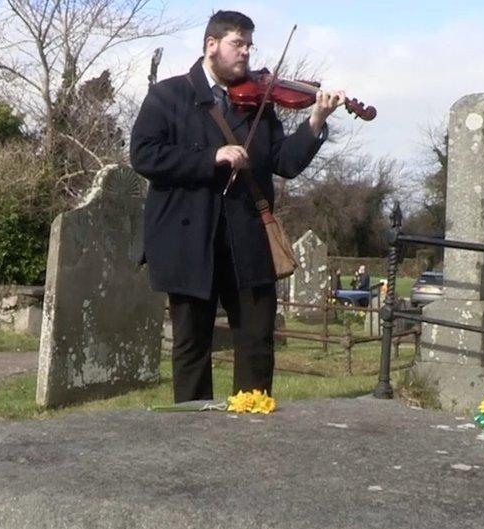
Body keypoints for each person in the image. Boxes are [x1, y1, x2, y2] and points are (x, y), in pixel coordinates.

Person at [130, 10, 345, 403]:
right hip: (188, 240)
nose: (246, 52)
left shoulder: (257, 102)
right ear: (212, 45)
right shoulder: (169, 95)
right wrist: (211, 157)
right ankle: (194, 431)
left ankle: (250, 426)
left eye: (249, 44)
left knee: (257, 342)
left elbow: (286, 163)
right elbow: (144, 155)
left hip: (247, 240)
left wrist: (314, 122)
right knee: (192, 346)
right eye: (237, 43)